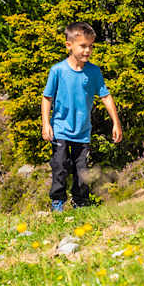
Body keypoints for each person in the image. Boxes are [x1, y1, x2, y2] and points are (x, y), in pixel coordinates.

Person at [41, 21, 123, 211]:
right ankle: (57, 201)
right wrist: (46, 124)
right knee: (60, 166)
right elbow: (47, 98)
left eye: (91, 46)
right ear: (69, 45)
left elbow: (106, 96)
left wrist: (116, 123)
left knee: (82, 170)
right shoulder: (58, 70)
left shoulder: (93, 72)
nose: (88, 50)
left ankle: (80, 201)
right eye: (83, 46)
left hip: (83, 131)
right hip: (60, 129)